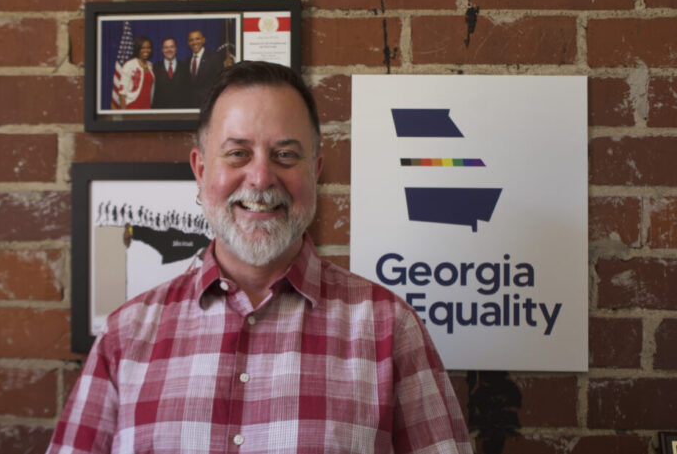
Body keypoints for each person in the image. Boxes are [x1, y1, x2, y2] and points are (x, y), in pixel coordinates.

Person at [46, 61, 473, 454]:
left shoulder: (390, 331)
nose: (261, 177)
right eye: (237, 153)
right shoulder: (125, 337)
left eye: (285, 154)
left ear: (316, 170)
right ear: (199, 169)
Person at [186, 29, 225, 108]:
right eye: (191, 40)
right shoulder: (187, 60)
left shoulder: (214, 58)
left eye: (197, 39)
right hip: (191, 106)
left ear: (203, 40)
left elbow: (220, 82)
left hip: (209, 105)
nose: (194, 42)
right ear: (188, 43)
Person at [116, 36, 154, 110]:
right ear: (137, 49)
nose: (146, 50)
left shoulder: (150, 65)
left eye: (148, 47)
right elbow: (122, 93)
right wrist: (124, 113)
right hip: (132, 106)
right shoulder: (130, 65)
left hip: (147, 107)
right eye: (143, 47)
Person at [152, 37, 191, 109]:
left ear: (176, 48)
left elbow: (188, 94)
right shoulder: (154, 68)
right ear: (162, 50)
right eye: (166, 47)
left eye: (171, 47)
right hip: (160, 113)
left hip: (180, 113)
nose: (169, 50)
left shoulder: (185, 68)